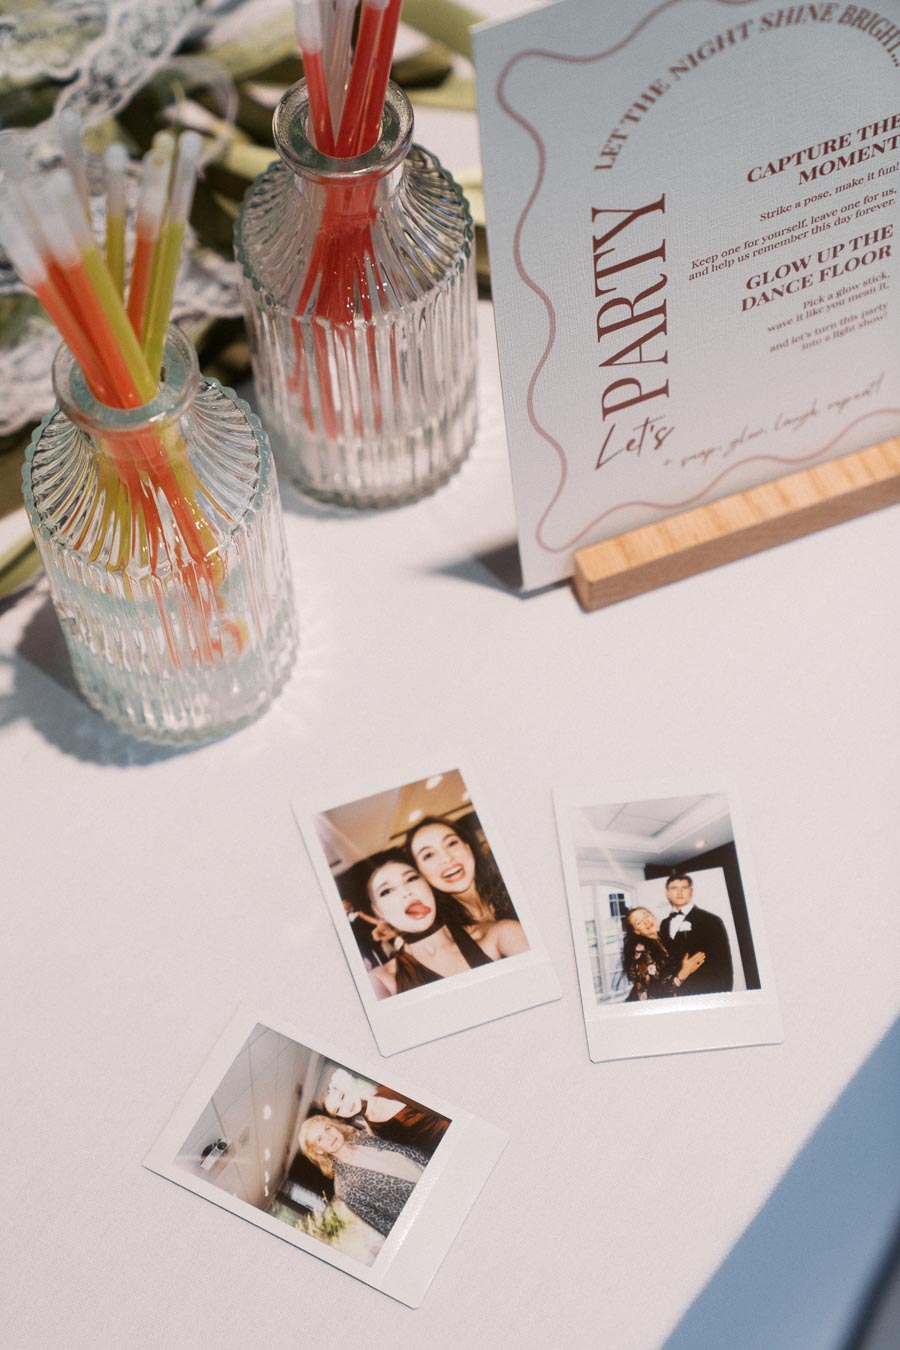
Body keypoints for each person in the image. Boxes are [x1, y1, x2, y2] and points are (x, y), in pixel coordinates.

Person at [359, 849, 528, 998]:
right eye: (386, 891)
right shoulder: (379, 981)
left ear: (429, 885)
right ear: (378, 911)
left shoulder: (501, 933)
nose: (406, 892)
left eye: (411, 879)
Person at [297, 1116, 427, 1238]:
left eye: (328, 1128)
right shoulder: (345, 1189)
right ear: (318, 1150)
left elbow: (408, 1150)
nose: (329, 1136)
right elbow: (384, 1224)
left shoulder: (365, 1136)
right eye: (319, 1139)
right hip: (422, 1211)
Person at [406, 814, 520, 929]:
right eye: (429, 855)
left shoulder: (515, 883)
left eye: (451, 843)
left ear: (468, 847)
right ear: (420, 873)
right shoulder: (447, 935)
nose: (447, 858)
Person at [323, 1067, 450, 1156]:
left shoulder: (387, 1090)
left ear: (348, 1088)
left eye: (342, 1097)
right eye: (337, 1109)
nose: (345, 1106)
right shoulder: (372, 1129)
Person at [658, 873, 734, 994]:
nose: (679, 892)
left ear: (691, 891)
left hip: (706, 989)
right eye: (674, 888)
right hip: (676, 991)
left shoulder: (711, 920)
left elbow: (724, 964)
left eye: (684, 888)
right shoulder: (664, 924)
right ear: (668, 893)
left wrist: (722, 995)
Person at [622, 907, 706, 1000]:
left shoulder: (661, 937)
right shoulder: (640, 951)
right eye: (639, 922)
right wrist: (684, 973)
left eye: (646, 916)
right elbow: (657, 993)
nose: (646, 922)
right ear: (636, 931)